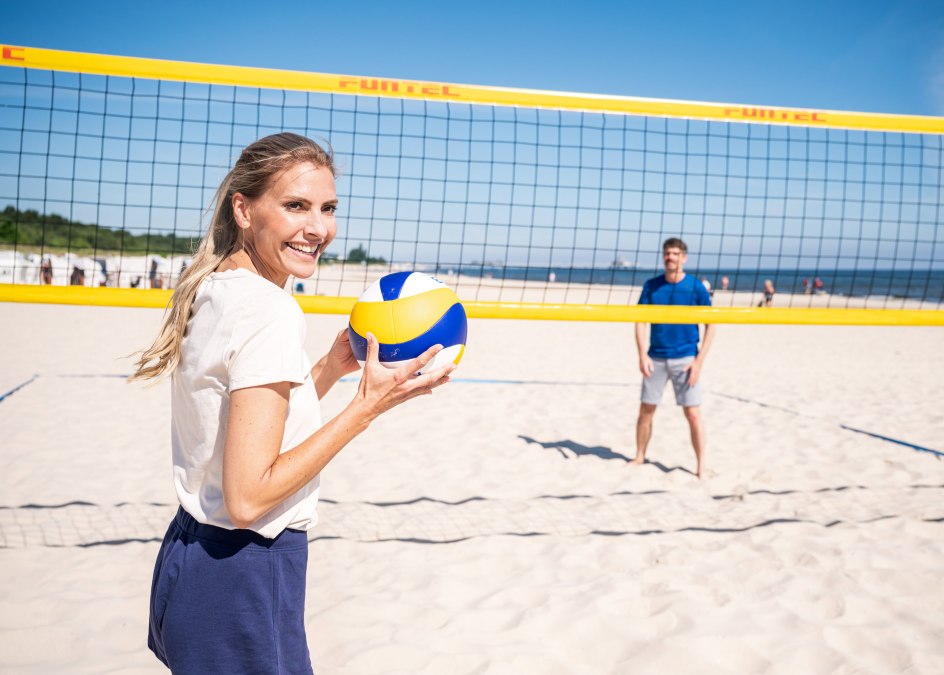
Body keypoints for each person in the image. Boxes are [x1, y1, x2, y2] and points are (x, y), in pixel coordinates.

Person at [130, 133, 454, 673]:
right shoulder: (270, 312)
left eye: (328, 208)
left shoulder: (216, 285)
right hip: (242, 570)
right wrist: (365, 408)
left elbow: (249, 419)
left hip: (190, 556)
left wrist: (328, 369)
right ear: (244, 208)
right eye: (295, 206)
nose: (319, 228)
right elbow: (248, 498)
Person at [631, 237, 715, 479]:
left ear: (684, 258)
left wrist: (699, 361)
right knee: (646, 410)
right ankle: (639, 456)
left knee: (693, 414)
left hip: (686, 359)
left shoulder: (696, 288)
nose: (670, 257)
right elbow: (639, 320)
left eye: (675, 254)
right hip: (655, 358)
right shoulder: (652, 285)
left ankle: (701, 466)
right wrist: (641, 354)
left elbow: (711, 326)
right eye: (667, 253)